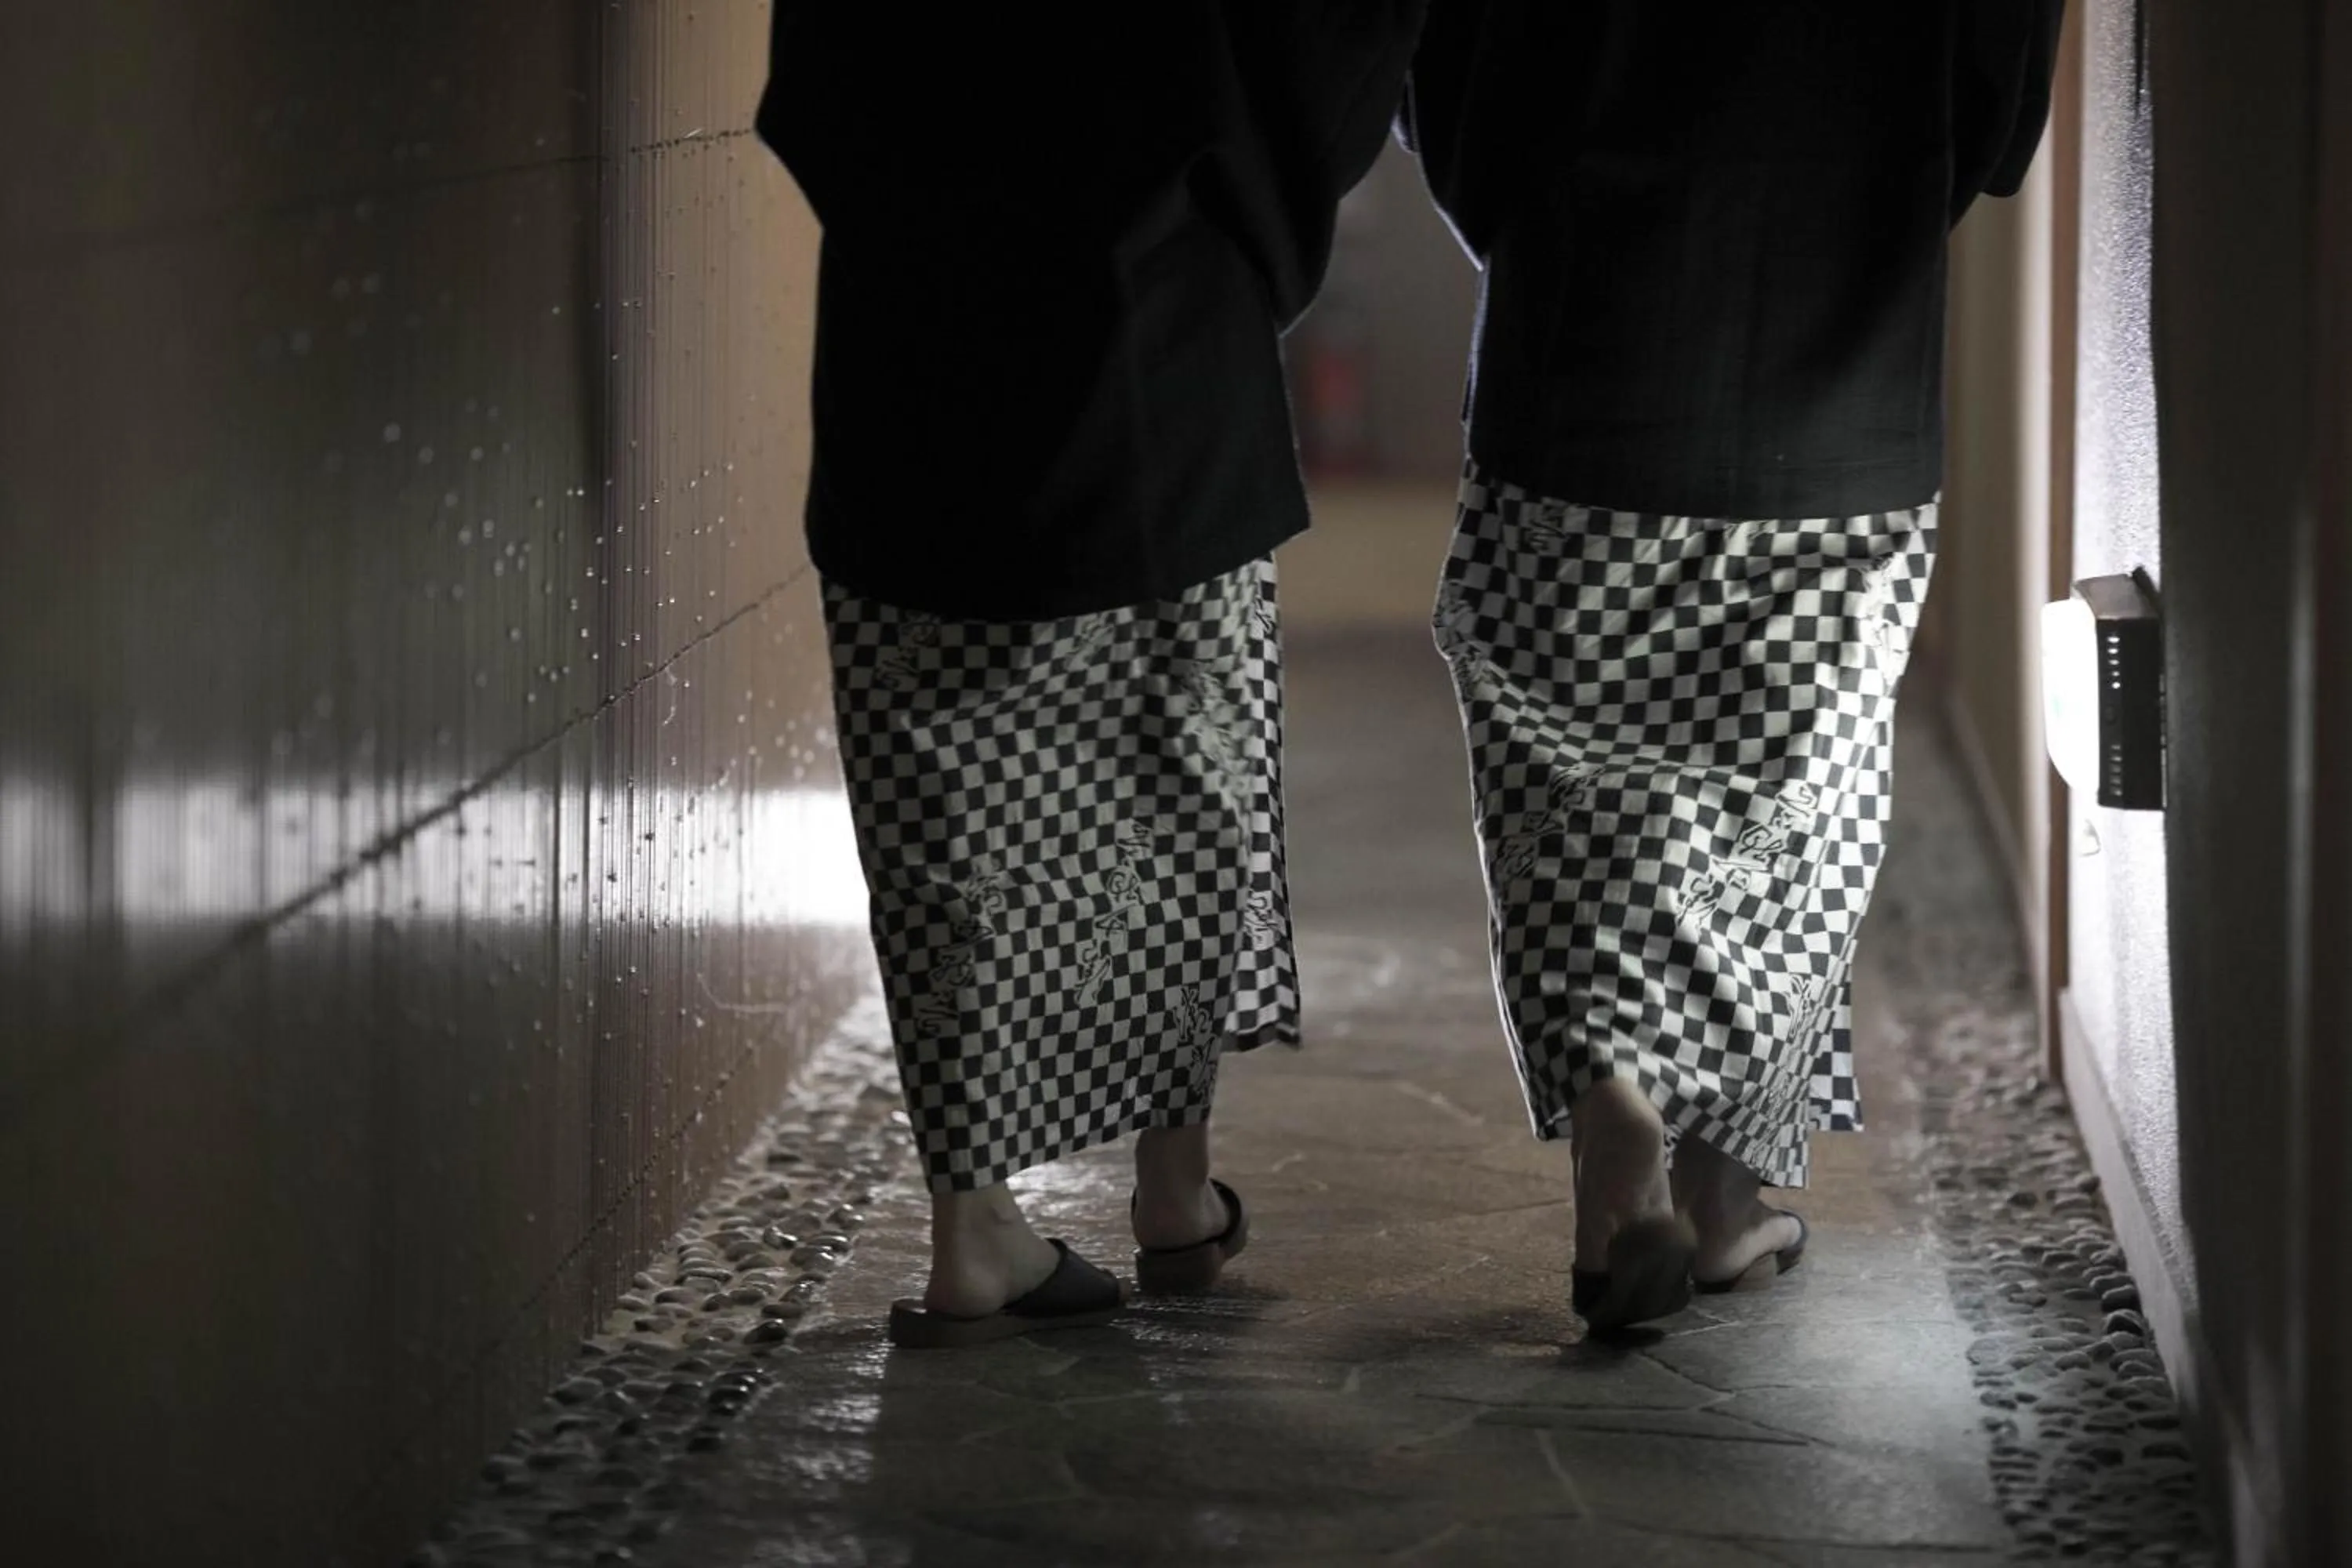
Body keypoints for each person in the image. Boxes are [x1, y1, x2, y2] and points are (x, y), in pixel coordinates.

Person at [757, 5, 1425, 1347]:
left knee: (935, 800)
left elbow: (818, 85)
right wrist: (1238, 225)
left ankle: (972, 1226)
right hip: (1155, 331)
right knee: (1175, 781)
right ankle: (1172, 1189)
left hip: (910, 344)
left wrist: (924, 212)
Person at [1402, 0, 2064, 1330]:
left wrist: (1532, 212)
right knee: (1791, 805)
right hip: (1842, 366)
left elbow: (1451, 63)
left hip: (1581, 354)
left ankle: (1614, 1108)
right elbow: (1995, 101)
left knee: (1566, 779)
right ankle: (1720, 1203)